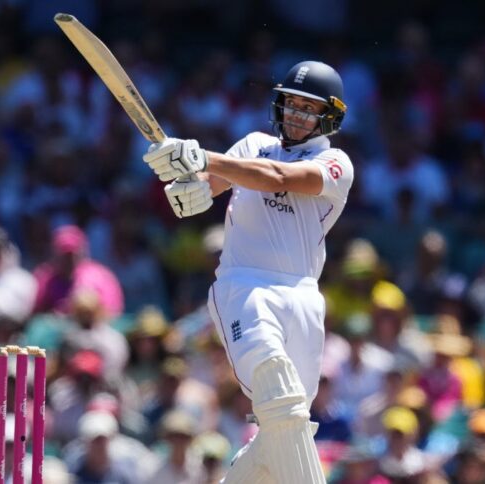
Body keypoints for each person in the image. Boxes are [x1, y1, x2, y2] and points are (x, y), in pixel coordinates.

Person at [142, 60, 352, 484]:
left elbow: (277, 177)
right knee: (279, 391)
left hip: (304, 295)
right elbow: (205, 188)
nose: (294, 114)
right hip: (245, 284)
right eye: (290, 104)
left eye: (306, 108)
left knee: (290, 425)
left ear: (328, 116)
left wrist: (205, 156)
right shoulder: (252, 144)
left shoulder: (335, 163)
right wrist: (184, 177)